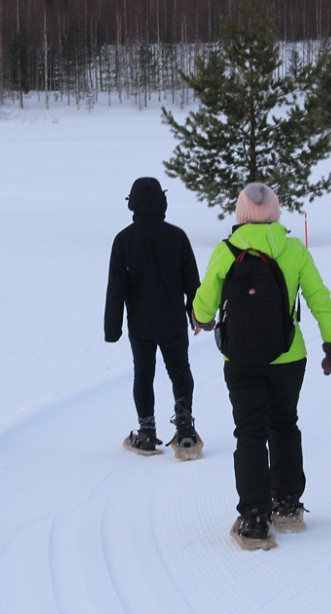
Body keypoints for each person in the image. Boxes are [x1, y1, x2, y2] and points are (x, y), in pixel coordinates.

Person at [192, 182, 331, 548]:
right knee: (284, 424)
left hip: (241, 358)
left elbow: (203, 307)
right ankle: (289, 506)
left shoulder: (226, 252)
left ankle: (255, 518)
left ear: (240, 215)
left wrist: (204, 319)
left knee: (249, 432)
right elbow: (319, 299)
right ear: (275, 213)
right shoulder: (294, 251)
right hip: (288, 357)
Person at [105, 176, 202, 454]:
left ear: (132, 204)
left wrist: (113, 329)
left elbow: (116, 289)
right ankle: (185, 425)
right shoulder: (177, 236)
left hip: (140, 323)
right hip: (172, 321)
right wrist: (196, 315)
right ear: (163, 202)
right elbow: (192, 283)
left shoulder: (123, 240)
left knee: (143, 374)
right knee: (180, 370)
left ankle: (147, 432)